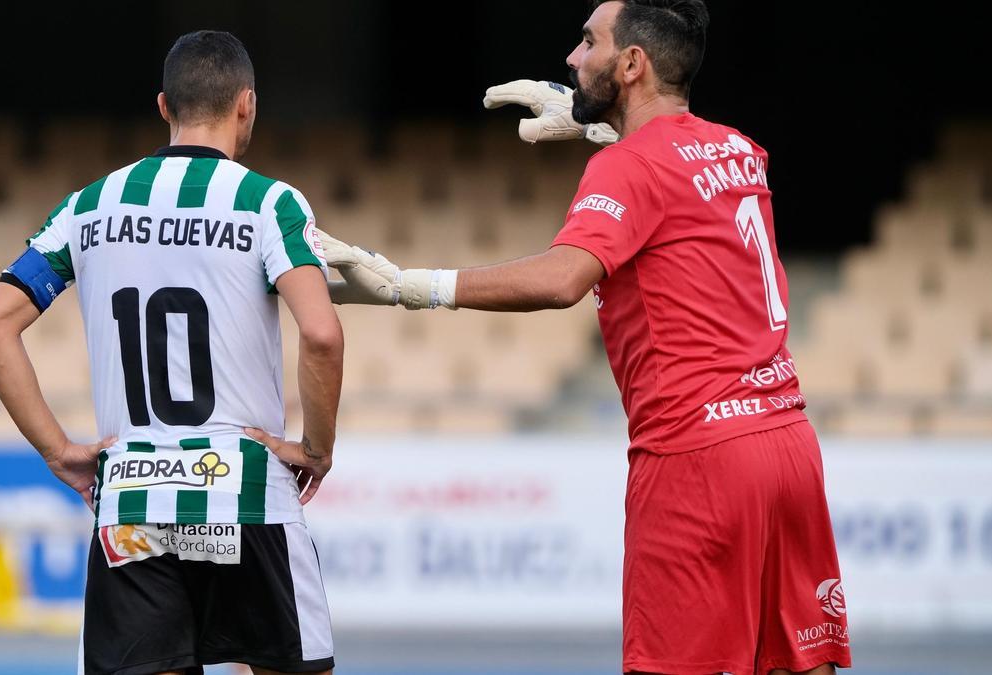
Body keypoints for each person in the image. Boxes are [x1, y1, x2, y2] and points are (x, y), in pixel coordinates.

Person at [318, 1, 852, 673]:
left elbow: (565, 277)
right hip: (787, 444)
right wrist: (596, 128)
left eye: (588, 42)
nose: (572, 59)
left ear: (633, 65)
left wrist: (409, 285)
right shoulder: (743, 151)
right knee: (798, 664)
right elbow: (684, 185)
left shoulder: (628, 170)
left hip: (695, 457)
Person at [0, 30, 342, 675]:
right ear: (247, 105)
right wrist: (316, 449)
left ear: (164, 107)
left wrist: (59, 450)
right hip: (242, 493)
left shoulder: (87, 206)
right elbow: (321, 334)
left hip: (133, 508)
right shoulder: (267, 202)